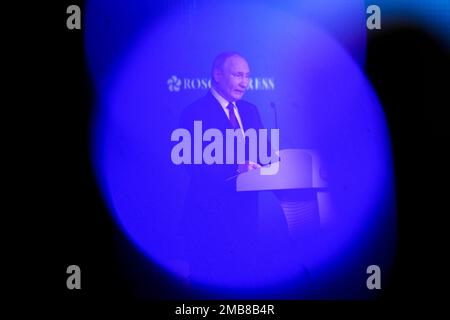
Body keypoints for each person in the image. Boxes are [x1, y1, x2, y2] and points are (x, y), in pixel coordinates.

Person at [178, 52, 269, 285]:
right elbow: (193, 163)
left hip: (246, 222)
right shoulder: (193, 113)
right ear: (217, 74)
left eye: (247, 76)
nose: (244, 82)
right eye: (238, 75)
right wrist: (237, 167)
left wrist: (272, 161)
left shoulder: (251, 111)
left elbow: (264, 152)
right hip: (209, 222)